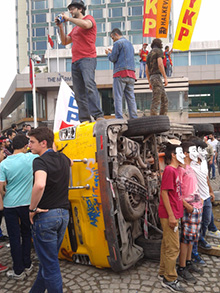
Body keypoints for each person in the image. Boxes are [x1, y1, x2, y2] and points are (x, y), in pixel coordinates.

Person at [28, 127, 72, 293]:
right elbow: (72, 162)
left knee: (51, 265)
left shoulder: (39, 161)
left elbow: (40, 184)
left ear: (43, 143)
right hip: (63, 216)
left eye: (32, 142)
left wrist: (32, 209)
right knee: (48, 262)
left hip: (46, 216)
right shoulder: (63, 157)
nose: (29, 145)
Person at [55, 0, 104, 123]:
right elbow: (65, 41)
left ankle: (98, 115)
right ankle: (84, 119)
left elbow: (87, 25)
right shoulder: (76, 28)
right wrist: (61, 27)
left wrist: (68, 19)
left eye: (72, 9)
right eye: (70, 10)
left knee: (89, 85)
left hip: (87, 58)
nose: (70, 12)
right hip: (75, 61)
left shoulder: (89, 19)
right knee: (78, 92)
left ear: (80, 9)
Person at [0, 134, 38, 280]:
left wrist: (6, 192)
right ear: (24, 146)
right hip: (27, 204)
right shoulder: (30, 158)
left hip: (10, 205)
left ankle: (18, 270)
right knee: (27, 234)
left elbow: (1, 187)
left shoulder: (3, 164)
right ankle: (27, 264)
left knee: (14, 238)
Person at [158, 143, 185, 292]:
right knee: (173, 247)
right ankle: (170, 278)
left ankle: (163, 272)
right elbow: (164, 193)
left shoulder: (176, 170)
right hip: (170, 215)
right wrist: (172, 216)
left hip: (174, 213)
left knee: (167, 245)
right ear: (174, 155)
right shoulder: (169, 170)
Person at [177, 141, 203, 284]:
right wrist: (187, 206)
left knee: (192, 238)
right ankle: (181, 268)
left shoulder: (190, 168)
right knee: (186, 239)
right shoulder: (180, 170)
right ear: (186, 153)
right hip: (189, 208)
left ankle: (188, 262)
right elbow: (177, 191)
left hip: (196, 207)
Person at [189, 138, 214, 264]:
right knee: (196, 227)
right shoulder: (189, 164)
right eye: (202, 149)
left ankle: (201, 239)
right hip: (196, 200)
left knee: (206, 221)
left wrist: (210, 191)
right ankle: (194, 252)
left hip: (206, 197)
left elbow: (206, 177)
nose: (204, 152)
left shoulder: (203, 161)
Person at [105, 28, 138, 120]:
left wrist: (108, 54)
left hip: (120, 73)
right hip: (131, 74)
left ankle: (119, 118)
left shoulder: (117, 43)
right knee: (131, 97)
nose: (113, 40)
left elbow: (113, 58)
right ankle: (134, 117)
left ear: (116, 34)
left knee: (118, 97)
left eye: (112, 38)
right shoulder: (130, 44)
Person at [146, 38, 168, 116]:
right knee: (157, 99)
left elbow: (146, 69)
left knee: (164, 99)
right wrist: (165, 77)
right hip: (157, 77)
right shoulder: (159, 51)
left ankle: (162, 118)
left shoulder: (149, 54)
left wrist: (149, 82)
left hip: (152, 77)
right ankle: (155, 118)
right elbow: (160, 64)